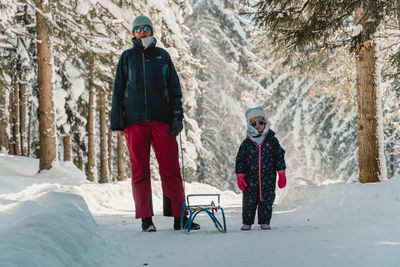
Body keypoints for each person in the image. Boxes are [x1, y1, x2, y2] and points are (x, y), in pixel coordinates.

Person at [110, 15, 199, 232]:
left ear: (151, 31)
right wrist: (118, 121)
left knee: (171, 169)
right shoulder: (127, 57)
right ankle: (146, 219)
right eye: (138, 28)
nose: (142, 31)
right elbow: (118, 91)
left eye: (146, 28)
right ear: (133, 32)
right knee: (140, 171)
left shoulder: (162, 56)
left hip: (162, 121)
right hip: (134, 122)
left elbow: (175, 90)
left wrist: (177, 117)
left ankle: (180, 217)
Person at [235, 106, 287, 230]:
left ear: (265, 123)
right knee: (249, 201)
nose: (257, 125)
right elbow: (240, 159)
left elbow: (279, 156)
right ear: (249, 125)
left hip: (268, 179)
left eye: (260, 122)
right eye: (254, 123)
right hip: (250, 180)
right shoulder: (246, 143)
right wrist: (240, 175)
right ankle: (247, 222)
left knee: (267, 200)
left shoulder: (272, 141)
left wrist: (282, 173)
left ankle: (264, 221)